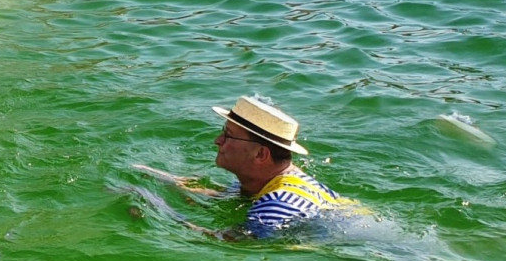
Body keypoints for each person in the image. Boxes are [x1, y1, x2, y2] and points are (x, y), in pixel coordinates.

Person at [140, 95, 358, 238]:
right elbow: (226, 197)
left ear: (261, 154)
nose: (218, 140)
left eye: (228, 135)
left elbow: (225, 241)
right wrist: (151, 174)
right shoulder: (268, 181)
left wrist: (155, 207)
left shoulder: (277, 205)